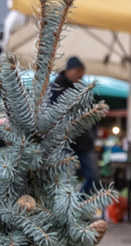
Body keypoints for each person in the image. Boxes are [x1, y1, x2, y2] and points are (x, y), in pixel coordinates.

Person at [49, 56, 99, 195]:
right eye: (78, 70)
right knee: (66, 179)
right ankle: (68, 211)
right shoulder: (55, 87)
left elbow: (93, 113)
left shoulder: (83, 90)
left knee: (94, 178)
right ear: (69, 70)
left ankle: (78, 209)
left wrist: (93, 135)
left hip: (85, 142)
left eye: (83, 71)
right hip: (64, 142)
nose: (81, 74)